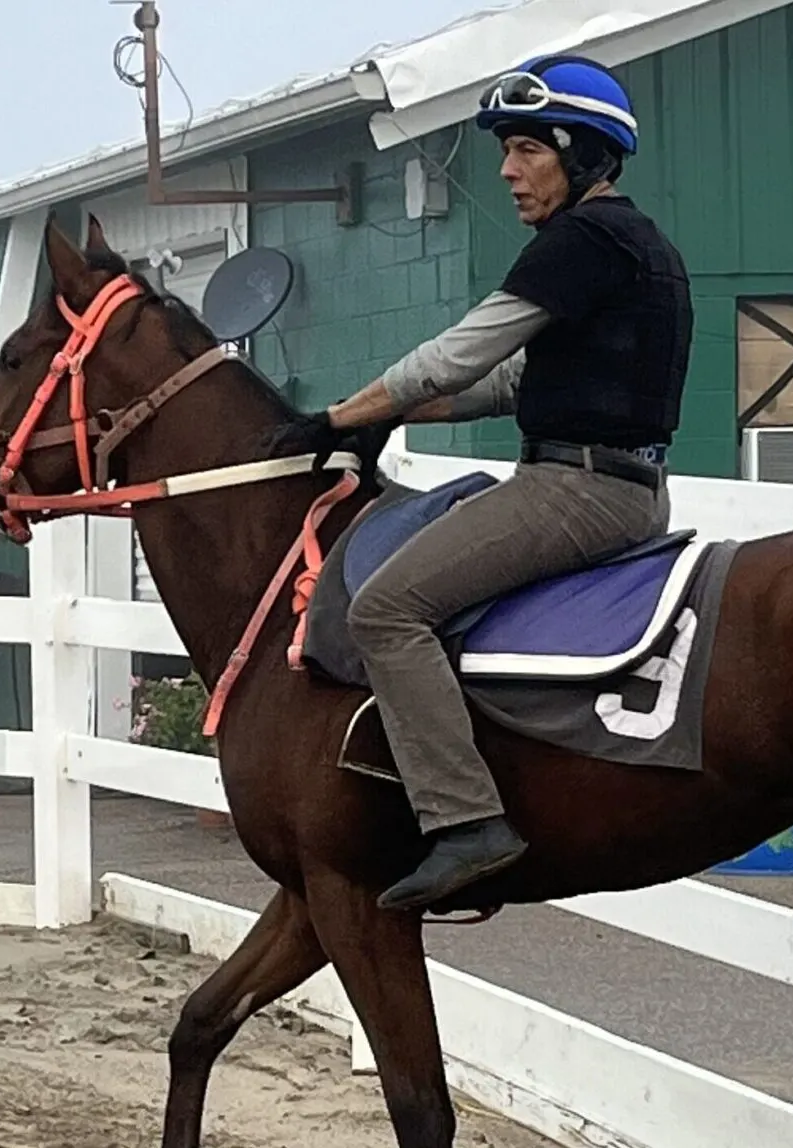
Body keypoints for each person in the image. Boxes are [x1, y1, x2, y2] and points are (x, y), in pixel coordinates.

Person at [283, 55, 694, 912]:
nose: (507, 171)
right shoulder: (638, 246)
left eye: (524, 150)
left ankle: (465, 820)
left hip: (577, 490)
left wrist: (338, 418)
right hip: (628, 485)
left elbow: (460, 353)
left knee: (386, 610)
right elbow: (512, 386)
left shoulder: (580, 241)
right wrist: (388, 418)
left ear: (579, 153)